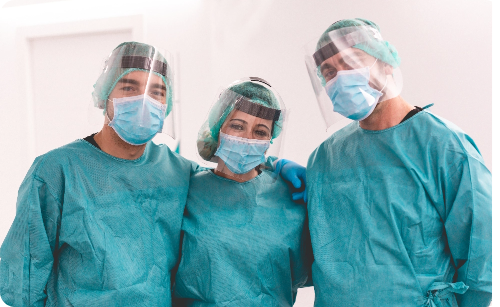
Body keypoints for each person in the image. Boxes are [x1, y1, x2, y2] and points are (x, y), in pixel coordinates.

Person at [0, 43, 306, 307]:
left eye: (157, 91)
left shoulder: (177, 171)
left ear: (167, 104)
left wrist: (275, 165)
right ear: (104, 94)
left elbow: (230, 180)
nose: (144, 100)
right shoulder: (56, 171)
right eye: (130, 87)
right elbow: (22, 273)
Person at [304, 19, 492, 307]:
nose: (340, 78)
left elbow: (482, 261)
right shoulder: (324, 159)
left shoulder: (444, 148)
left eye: (351, 61)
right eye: (329, 72)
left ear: (386, 63)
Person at [173, 78, 313, 306]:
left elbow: (300, 274)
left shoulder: (288, 198)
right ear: (218, 129)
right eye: (237, 126)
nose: (248, 139)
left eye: (260, 132)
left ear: (269, 142)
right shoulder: (187, 190)